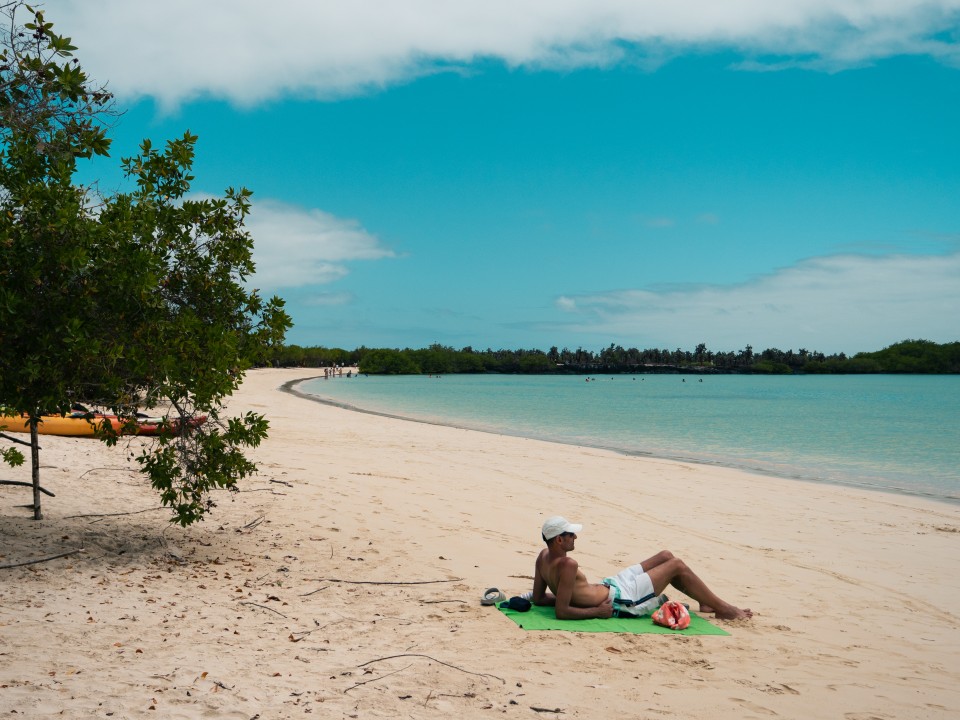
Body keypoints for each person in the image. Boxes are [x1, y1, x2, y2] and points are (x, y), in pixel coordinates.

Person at [532, 516, 752, 621]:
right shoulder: (568, 564)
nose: (575, 537)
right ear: (559, 540)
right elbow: (561, 612)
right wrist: (595, 611)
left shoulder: (543, 557)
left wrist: (566, 596)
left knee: (666, 555)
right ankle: (724, 608)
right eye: (570, 535)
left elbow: (539, 598)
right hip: (623, 597)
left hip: (612, 584)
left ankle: (705, 601)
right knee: (676, 565)